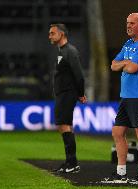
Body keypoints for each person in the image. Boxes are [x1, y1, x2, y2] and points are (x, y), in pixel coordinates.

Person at [103, 13, 138, 185]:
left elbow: (133, 68)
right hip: (126, 96)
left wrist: (126, 63)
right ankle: (121, 174)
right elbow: (113, 65)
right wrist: (125, 62)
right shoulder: (128, 44)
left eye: (132, 23)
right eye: (127, 23)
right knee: (117, 132)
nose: (128, 26)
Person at [48, 23, 87, 173]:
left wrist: (81, 94)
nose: (50, 36)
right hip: (64, 93)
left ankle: (72, 163)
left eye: (52, 33)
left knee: (63, 125)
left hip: (67, 93)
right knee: (66, 125)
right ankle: (71, 162)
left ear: (61, 34)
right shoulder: (62, 51)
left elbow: (79, 75)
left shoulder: (70, 51)